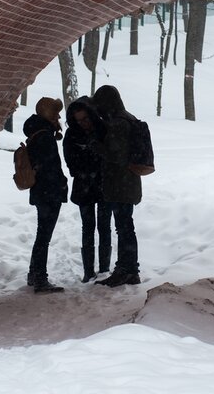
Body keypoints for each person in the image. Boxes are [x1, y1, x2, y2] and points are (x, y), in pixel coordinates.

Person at [91, 85, 142, 287]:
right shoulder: (129, 118)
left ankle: (125, 270)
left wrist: (96, 146)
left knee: (124, 228)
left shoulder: (118, 123)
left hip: (120, 183)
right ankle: (129, 269)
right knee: (126, 226)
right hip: (128, 182)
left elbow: (116, 155)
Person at [63, 97, 112, 283]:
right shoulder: (72, 135)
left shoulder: (102, 130)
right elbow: (72, 164)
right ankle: (88, 270)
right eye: (79, 120)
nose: (84, 123)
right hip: (84, 187)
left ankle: (104, 269)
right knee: (88, 228)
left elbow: (109, 156)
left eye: (86, 119)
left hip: (103, 185)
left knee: (104, 227)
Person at [23, 97, 68, 293]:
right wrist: (60, 184)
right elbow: (50, 168)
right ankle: (39, 277)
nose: (58, 116)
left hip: (41, 192)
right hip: (49, 193)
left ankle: (35, 274)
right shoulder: (45, 137)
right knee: (44, 236)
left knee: (42, 235)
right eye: (55, 112)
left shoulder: (36, 133)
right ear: (47, 114)